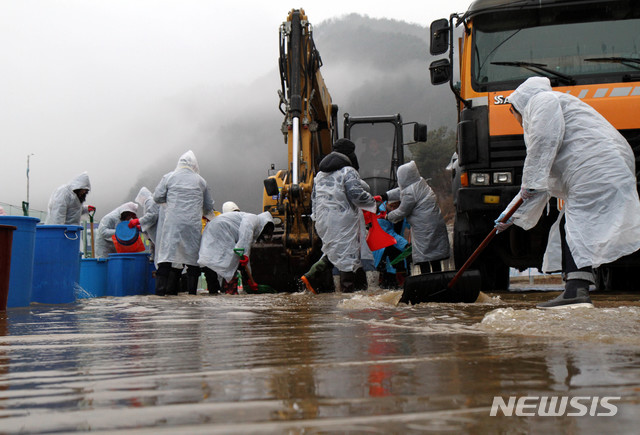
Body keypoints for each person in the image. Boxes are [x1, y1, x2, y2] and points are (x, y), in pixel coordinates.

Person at [495, 76, 640, 309]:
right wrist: (510, 215)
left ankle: (575, 291)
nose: (517, 121)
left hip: (594, 167)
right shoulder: (555, 104)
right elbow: (541, 183)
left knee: (577, 227)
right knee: (573, 227)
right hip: (606, 165)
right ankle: (575, 287)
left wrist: (527, 187)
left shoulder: (541, 101)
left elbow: (542, 149)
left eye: (514, 115)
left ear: (518, 106)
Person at [300, 138, 377, 293]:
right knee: (347, 256)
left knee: (334, 251)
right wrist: (373, 200)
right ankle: (347, 298)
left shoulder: (320, 175)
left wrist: (317, 219)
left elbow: (314, 199)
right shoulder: (348, 172)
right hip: (342, 221)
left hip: (323, 220)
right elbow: (355, 195)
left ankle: (311, 276)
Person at [153, 150, 215, 296]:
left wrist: (169, 202)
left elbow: (157, 197)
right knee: (192, 258)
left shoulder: (169, 177)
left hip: (173, 223)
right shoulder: (201, 181)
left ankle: (160, 294)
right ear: (194, 165)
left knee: (166, 256)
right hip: (193, 224)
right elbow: (208, 206)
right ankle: (192, 294)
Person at [382, 160, 449, 275]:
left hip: (424, 228)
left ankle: (425, 279)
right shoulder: (420, 183)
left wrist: (387, 216)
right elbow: (401, 191)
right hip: (434, 223)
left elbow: (401, 212)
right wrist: (386, 195)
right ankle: (439, 278)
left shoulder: (409, 193)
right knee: (434, 254)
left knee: (424, 255)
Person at [198, 211, 274, 294]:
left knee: (213, 262)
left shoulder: (250, 226)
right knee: (229, 263)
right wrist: (244, 253)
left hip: (215, 229)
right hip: (221, 229)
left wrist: (248, 279)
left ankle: (215, 293)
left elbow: (244, 262)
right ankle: (229, 292)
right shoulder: (253, 218)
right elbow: (246, 232)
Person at [372, 188, 410, 288]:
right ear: (387, 203)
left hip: (398, 248)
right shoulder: (380, 213)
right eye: (391, 206)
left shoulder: (403, 212)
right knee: (387, 282)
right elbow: (389, 233)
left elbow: (412, 224)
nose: (393, 209)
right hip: (384, 250)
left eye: (396, 206)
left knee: (402, 278)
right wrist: (405, 244)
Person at [130, 187, 159, 258]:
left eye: (141, 197)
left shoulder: (149, 201)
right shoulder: (149, 202)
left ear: (143, 196)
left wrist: (138, 221)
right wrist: (141, 227)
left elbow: (152, 216)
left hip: (157, 233)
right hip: (155, 233)